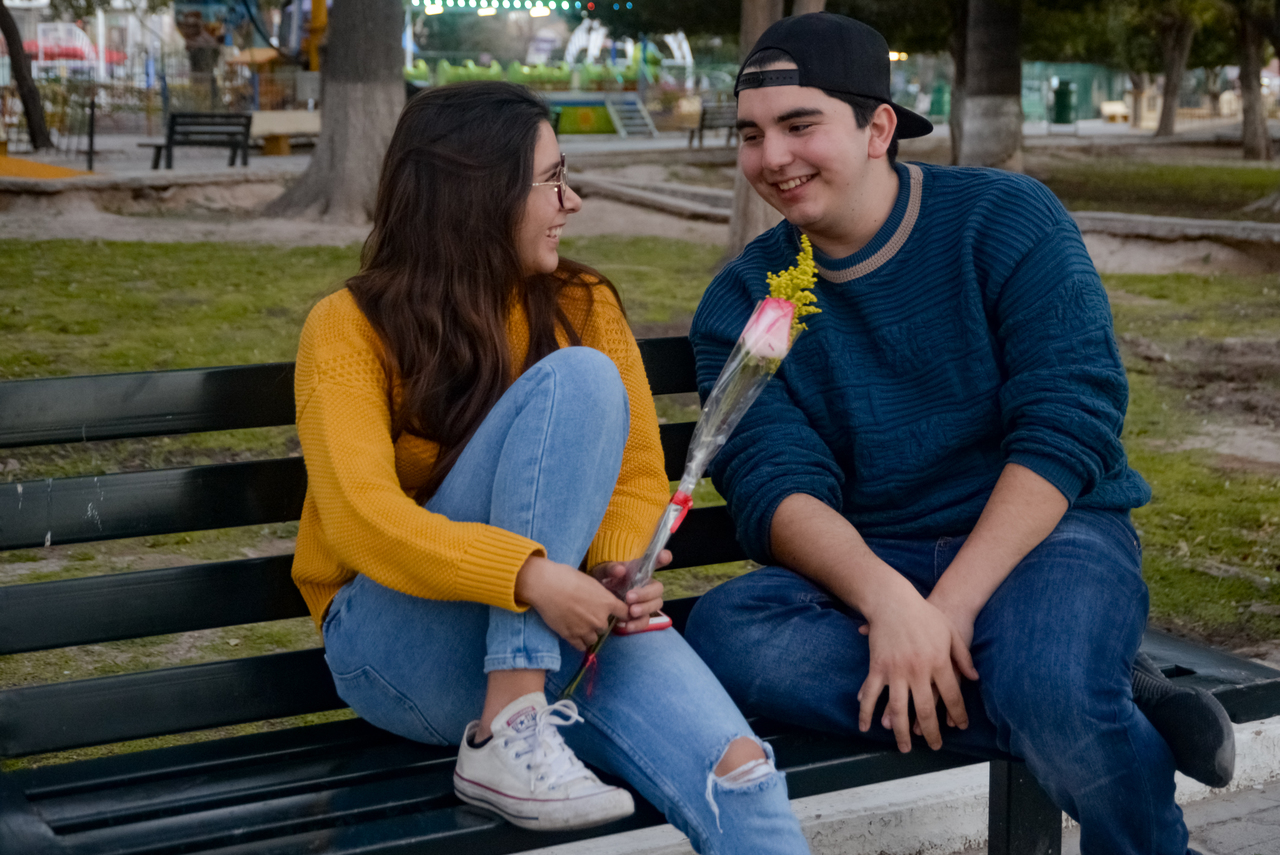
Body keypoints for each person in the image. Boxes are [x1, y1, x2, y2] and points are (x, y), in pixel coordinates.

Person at [684, 13, 1233, 855]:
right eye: (751, 134)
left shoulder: (1005, 219)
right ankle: (1108, 699)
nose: (773, 157)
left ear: (878, 128)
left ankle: (1075, 706)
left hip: (1047, 536)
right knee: (730, 634)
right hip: (878, 560)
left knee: (1047, 677)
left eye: (799, 125)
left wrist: (948, 608)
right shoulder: (745, 300)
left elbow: (1069, 421)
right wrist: (890, 603)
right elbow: (772, 480)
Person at [290, 81, 810, 853]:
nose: (572, 201)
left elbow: (636, 474)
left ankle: (520, 712)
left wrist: (614, 570)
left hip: (560, 625)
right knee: (581, 379)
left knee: (740, 775)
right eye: (551, 180)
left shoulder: (581, 301)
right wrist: (532, 577)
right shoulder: (348, 327)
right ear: (479, 193)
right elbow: (363, 518)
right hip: (402, 646)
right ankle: (512, 714)